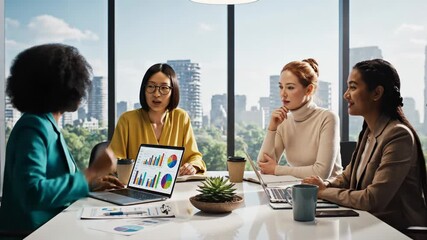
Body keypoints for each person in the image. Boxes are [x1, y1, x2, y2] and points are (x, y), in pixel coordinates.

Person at [0, 44, 123, 234]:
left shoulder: (47, 123)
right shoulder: (34, 126)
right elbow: (32, 192)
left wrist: (91, 184)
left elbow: (52, 180)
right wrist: (91, 172)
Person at [303, 59, 427, 232]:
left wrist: (323, 192)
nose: (346, 95)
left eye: (353, 87)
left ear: (376, 93)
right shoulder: (368, 131)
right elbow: (347, 177)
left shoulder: (398, 135)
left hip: (396, 232)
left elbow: (372, 200)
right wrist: (323, 185)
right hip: (367, 225)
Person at [109, 63, 206, 176]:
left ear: (173, 91)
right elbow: (114, 160)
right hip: (136, 189)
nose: (156, 94)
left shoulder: (181, 117)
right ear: (144, 89)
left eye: (164, 88)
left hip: (174, 189)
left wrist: (192, 166)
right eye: (151, 86)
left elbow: (194, 157)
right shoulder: (127, 120)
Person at [257, 58, 342, 179]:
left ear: (309, 90)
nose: (283, 94)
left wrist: (276, 169)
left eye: (290, 87)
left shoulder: (328, 118)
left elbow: (321, 173)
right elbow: (264, 164)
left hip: (329, 193)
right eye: (281, 87)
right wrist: (272, 128)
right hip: (298, 190)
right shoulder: (283, 121)